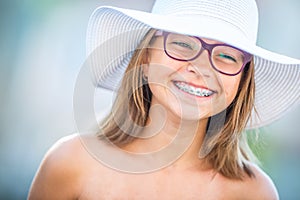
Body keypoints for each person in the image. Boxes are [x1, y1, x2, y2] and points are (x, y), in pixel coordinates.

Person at [28, 0, 300, 199]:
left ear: (241, 83)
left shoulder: (252, 193)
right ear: (145, 57)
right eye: (182, 44)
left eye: (227, 56)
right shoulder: (70, 163)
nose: (202, 68)